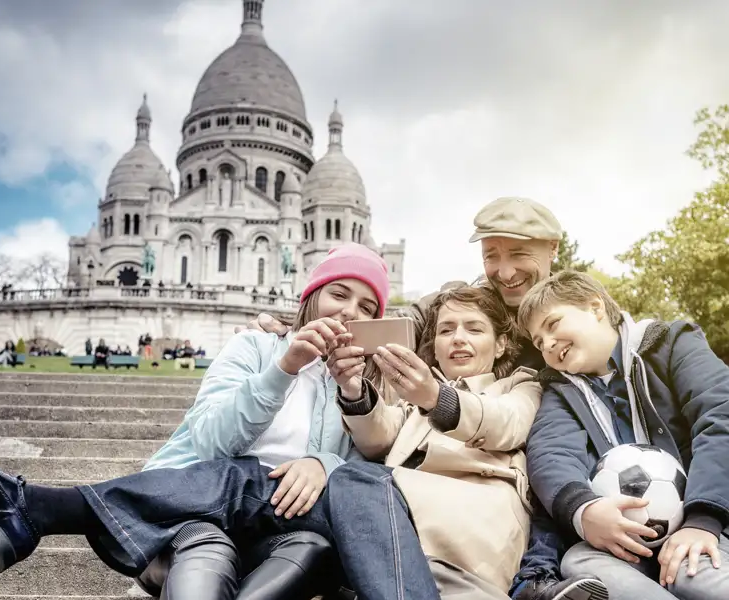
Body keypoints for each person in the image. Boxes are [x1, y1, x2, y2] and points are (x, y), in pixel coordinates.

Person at [0, 243, 389, 599]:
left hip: (280, 534)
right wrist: (284, 368)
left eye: (368, 308)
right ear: (311, 295)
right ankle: (32, 508)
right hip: (185, 516)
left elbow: (367, 482)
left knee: (314, 548)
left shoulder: (361, 391)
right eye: (339, 293)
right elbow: (212, 443)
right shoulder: (253, 349)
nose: (350, 312)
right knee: (209, 542)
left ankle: (33, 507)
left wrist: (324, 464)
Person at [239, 197, 605, 600]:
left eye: (519, 254)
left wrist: (437, 398)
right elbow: (397, 331)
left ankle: (531, 578)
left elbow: (512, 420)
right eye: (491, 256)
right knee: (302, 488)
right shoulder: (455, 310)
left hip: (482, 507)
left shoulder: (534, 366)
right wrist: (322, 347)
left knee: (355, 483)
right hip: (409, 512)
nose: (505, 271)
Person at [517, 270, 729, 600]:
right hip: (633, 543)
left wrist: (703, 520)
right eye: (538, 341)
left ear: (595, 306)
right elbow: (550, 452)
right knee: (578, 561)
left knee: (691, 574)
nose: (547, 343)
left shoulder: (671, 343)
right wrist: (584, 511)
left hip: (709, 521)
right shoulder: (561, 392)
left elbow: (720, 416)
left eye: (553, 324)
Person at [324, 284, 541, 599]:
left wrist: (437, 398)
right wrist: (353, 390)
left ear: (500, 345)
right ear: (435, 347)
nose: (458, 338)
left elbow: (506, 422)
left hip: (467, 534)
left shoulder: (520, 386)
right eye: (446, 330)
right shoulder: (413, 399)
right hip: (398, 528)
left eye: (474, 328)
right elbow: (379, 438)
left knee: (350, 480)